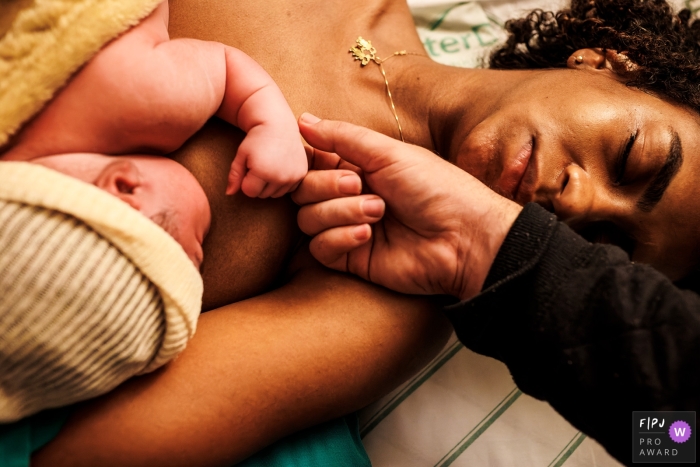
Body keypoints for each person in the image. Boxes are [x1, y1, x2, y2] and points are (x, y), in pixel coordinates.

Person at [24, 0, 700, 465]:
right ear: (609, 61)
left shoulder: (381, 297)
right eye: (633, 156)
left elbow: (81, 454)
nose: (578, 203)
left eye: (605, 244)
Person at [2, 0, 310, 266]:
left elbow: (227, 68)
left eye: (196, 252)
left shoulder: (155, 102)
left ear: (125, 187)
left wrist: (274, 126)